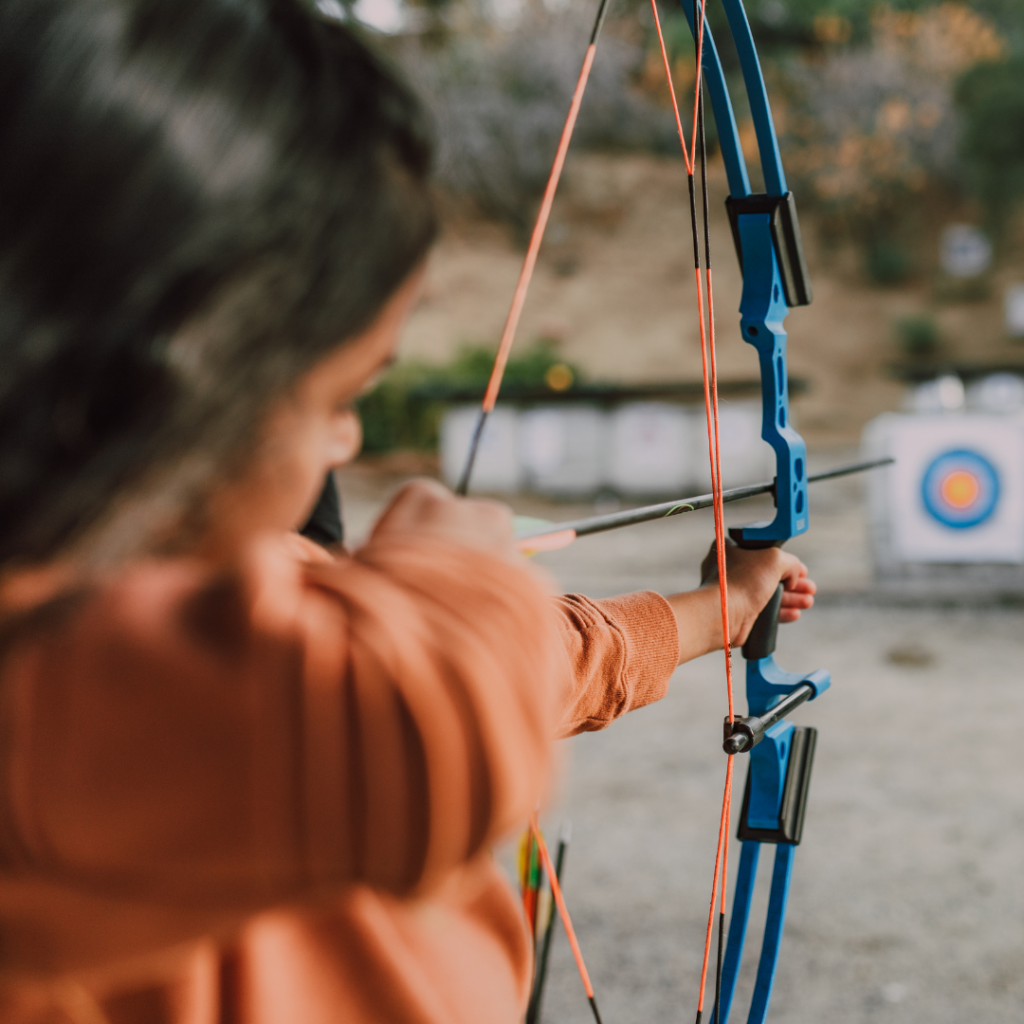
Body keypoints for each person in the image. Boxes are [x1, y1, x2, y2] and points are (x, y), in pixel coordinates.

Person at [0, 1, 816, 1021]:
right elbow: (425, 702)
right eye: (335, 399)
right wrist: (452, 556)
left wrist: (716, 611)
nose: (344, 446)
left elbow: (534, 660)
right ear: (176, 377)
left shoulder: (260, 620)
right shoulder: (53, 672)